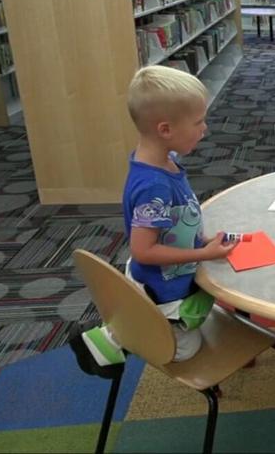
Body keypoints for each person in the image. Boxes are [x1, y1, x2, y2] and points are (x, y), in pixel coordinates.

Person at [69, 65, 237, 378]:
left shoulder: (165, 161)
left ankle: (133, 324)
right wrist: (204, 254)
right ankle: (118, 337)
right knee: (187, 349)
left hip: (163, 276)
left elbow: (171, 224)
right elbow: (145, 250)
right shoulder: (154, 186)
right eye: (198, 122)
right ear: (165, 130)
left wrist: (199, 240)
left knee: (204, 314)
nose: (205, 129)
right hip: (163, 286)